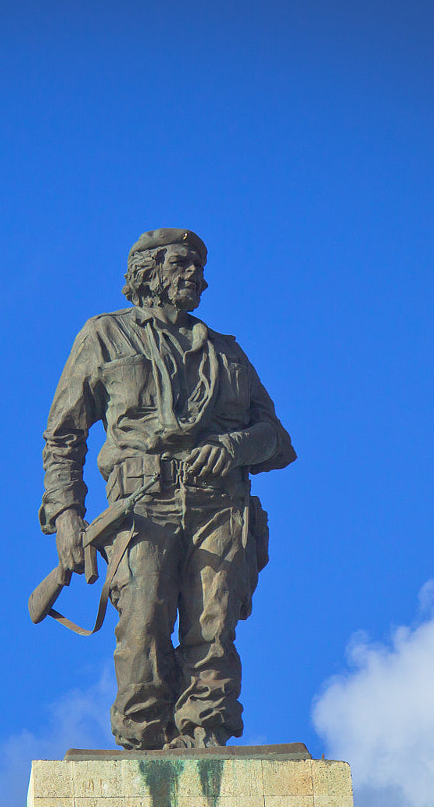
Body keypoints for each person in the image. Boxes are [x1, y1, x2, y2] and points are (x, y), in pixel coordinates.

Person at [40, 228, 296, 749]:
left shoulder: (225, 353)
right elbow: (64, 434)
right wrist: (66, 513)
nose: (195, 275)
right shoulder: (104, 337)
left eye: (199, 266)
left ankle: (206, 733)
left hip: (219, 505)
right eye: (182, 263)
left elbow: (277, 439)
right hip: (141, 507)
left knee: (213, 625)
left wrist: (232, 448)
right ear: (146, 272)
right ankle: (144, 741)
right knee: (142, 622)